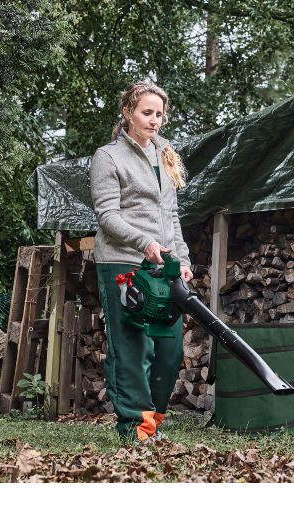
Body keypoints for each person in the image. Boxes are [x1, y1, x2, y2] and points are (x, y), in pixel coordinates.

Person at [90, 81, 193, 443]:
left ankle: (154, 422)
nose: (154, 120)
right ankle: (137, 428)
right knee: (133, 346)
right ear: (128, 114)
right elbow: (107, 216)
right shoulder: (109, 156)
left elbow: (171, 215)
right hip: (123, 263)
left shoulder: (165, 153)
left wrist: (180, 258)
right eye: (146, 113)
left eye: (159, 114)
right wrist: (144, 242)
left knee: (170, 347)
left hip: (162, 265)